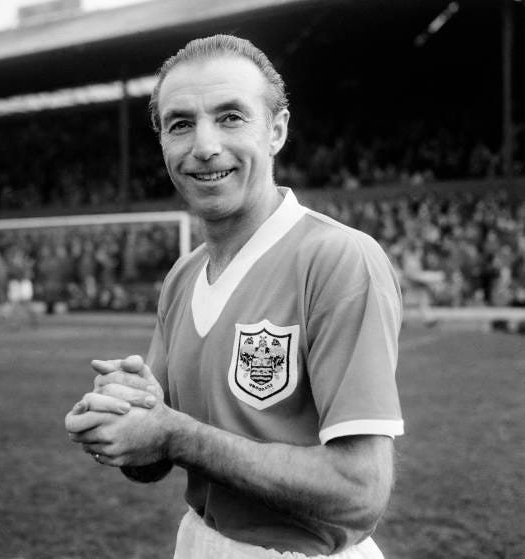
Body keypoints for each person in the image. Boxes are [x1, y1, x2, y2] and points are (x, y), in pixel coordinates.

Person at [65, 35, 404, 559]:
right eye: (180, 124)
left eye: (230, 117)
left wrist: (177, 436)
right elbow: (152, 458)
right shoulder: (182, 276)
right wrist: (123, 416)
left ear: (277, 130)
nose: (204, 146)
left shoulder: (340, 259)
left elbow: (360, 492)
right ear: (163, 145)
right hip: (197, 541)